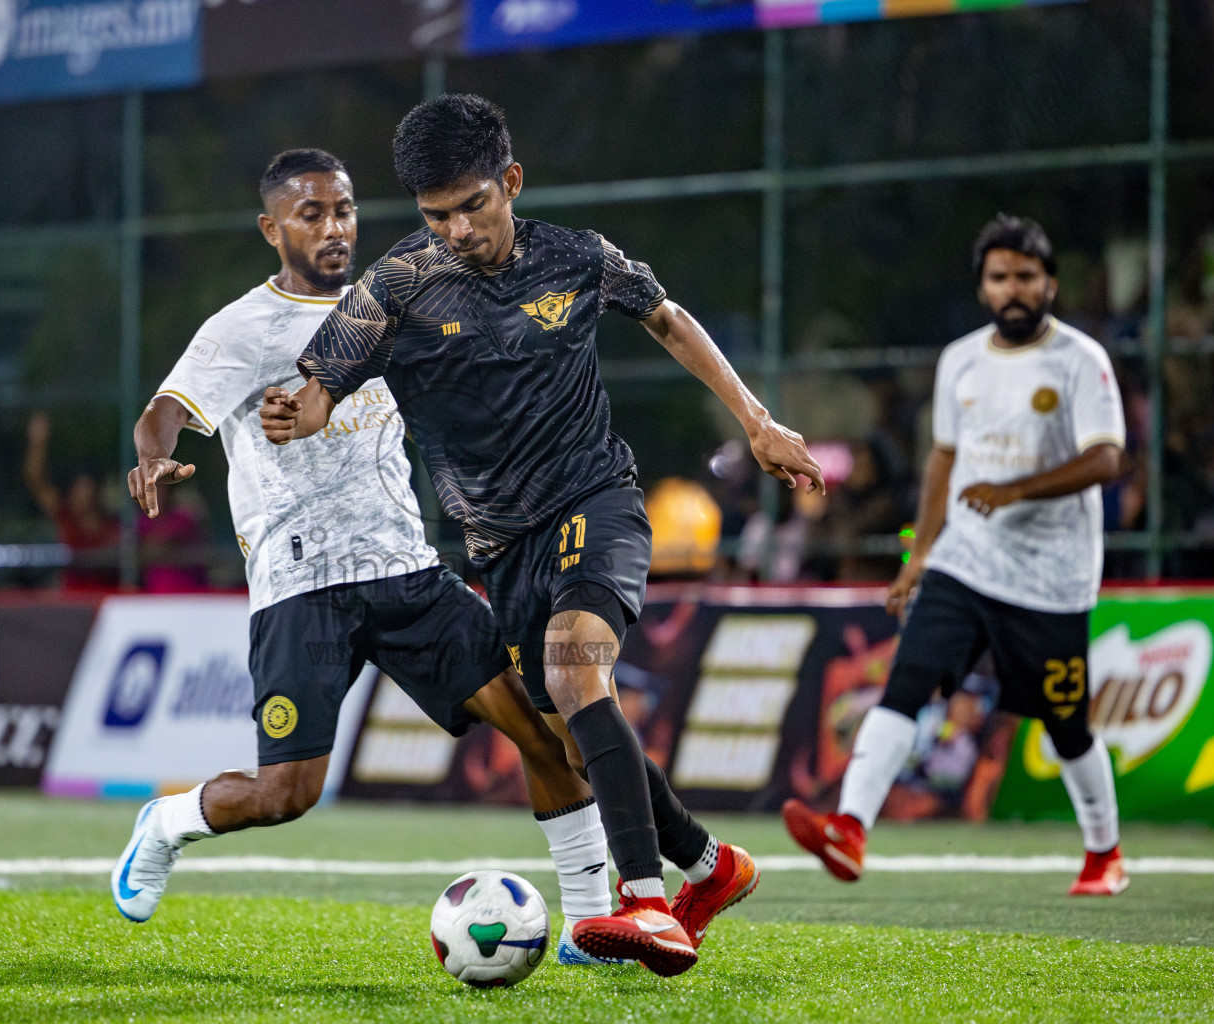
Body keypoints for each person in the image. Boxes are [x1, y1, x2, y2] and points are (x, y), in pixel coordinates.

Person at [263, 96, 824, 975]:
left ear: (510, 183)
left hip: (595, 498)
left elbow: (668, 317)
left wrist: (755, 421)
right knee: (570, 735)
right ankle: (712, 868)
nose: (454, 229)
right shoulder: (395, 286)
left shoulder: (577, 256)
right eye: (435, 214)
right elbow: (324, 382)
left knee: (573, 666)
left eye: (471, 206)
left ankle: (646, 904)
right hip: (500, 546)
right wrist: (300, 412)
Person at [110, 149, 623, 966]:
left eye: (343, 209)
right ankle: (168, 822)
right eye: (310, 213)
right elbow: (165, 409)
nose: (334, 226)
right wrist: (152, 456)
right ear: (271, 228)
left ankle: (594, 925)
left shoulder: (397, 301)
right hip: (300, 586)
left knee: (540, 730)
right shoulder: (241, 327)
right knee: (286, 796)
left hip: (406, 572)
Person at [782, 214, 1129, 897]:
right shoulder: (961, 361)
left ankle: (1104, 852)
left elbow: (1107, 458)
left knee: (1066, 724)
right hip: (964, 565)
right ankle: (849, 828)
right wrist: (919, 555)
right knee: (906, 682)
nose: (1014, 289)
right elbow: (943, 460)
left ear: (1050, 283)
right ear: (983, 289)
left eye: (1026, 276)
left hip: (1051, 581)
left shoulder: (1081, 361)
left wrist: (1016, 489)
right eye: (1000, 278)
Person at [24, 411, 121, 591]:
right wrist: (37, 443)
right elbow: (35, 481)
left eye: (89, 487)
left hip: (110, 601)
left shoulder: (112, 523)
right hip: (75, 602)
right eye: (80, 488)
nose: (86, 495)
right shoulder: (66, 516)